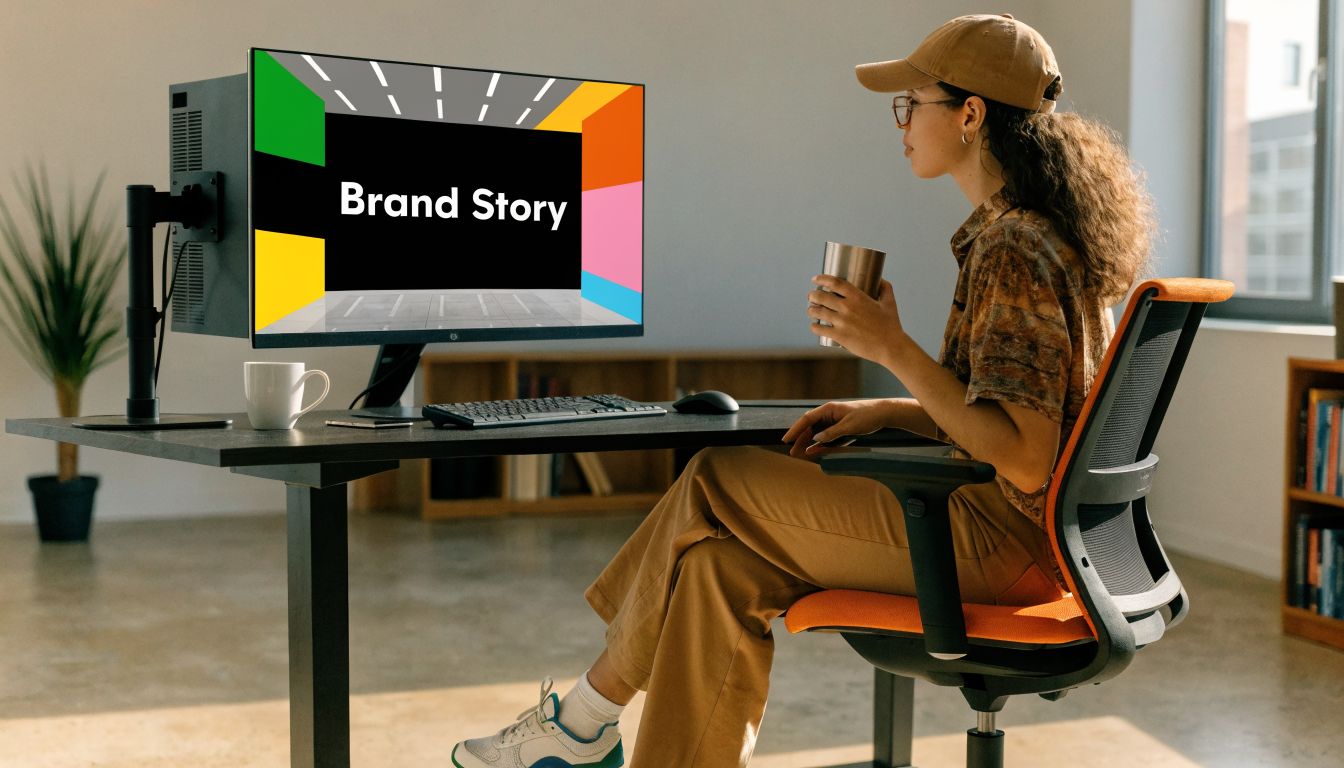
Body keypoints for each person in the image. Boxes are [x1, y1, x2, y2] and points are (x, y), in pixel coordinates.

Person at [449, 13, 1154, 768]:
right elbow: (1020, 421)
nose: (903, 123)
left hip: (999, 546)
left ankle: (583, 720)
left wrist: (892, 350)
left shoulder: (1015, 244)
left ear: (971, 114)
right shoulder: (1039, 232)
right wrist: (888, 409)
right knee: (718, 570)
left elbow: (1023, 457)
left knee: (716, 475)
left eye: (913, 104)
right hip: (1038, 541)